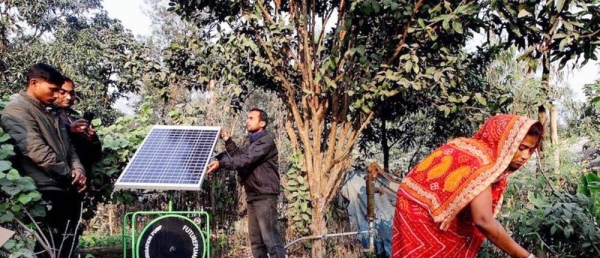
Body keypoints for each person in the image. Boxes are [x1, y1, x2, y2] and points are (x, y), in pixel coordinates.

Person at [392, 114, 543, 258]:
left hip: (415, 205)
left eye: (530, 150)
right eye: (521, 148)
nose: (525, 156)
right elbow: (483, 220)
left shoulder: (471, 148)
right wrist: (526, 256)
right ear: (505, 143)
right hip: (420, 215)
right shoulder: (482, 162)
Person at [0, 63, 87, 258]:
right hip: (41, 190)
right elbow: (35, 150)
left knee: (65, 247)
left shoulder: (52, 112)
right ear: (34, 83)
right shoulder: (16, 110)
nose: (57, 95)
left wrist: (79, 171)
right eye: (53, 90)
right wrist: (70, 173)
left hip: (64, 189)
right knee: (44, 250)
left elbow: (70, 149)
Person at [206, 108, 285, 258]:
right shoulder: (252, 141)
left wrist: (221, 164)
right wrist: (227, 139)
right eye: (247, 118)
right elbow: (240, 155)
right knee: (256, 242)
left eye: (251, 118)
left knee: (271, 240)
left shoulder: (266, 141)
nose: (247, 121)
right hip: (253, 195)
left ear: (262, 123)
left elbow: (245, 160)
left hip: (265, 195)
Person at [54, 77, 102, 175]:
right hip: (65, 174)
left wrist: (93, 139)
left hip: (83, 174)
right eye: (62, 92)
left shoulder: (75, 116)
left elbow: (96, 156)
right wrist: (69, 130)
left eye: (71, 93)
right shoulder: (48, 115)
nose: (68, 97)